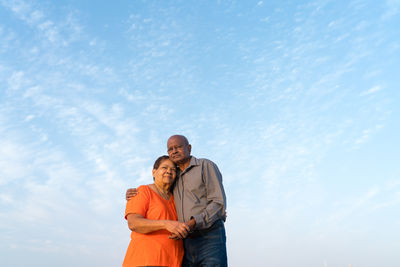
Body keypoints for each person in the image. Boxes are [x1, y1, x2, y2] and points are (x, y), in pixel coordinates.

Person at [126, 135, 228, 267]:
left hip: (209, 236)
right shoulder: (171, 178)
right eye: (170, 149)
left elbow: (218, 203)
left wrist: (194, 222)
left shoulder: (205, 165)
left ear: (189, 148)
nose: (174, 151)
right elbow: (157, 189)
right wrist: (133, 191)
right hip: (185, 242)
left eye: (178, 147)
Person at [123, 155, 190, 267]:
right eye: (164, 167)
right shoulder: (143, 191)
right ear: (154, 172)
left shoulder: (177, 199)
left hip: (174, 262)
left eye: (173, 169)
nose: (169, 171)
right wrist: (165, 224)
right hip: (145, 261)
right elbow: (133, 223)